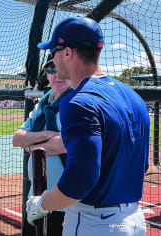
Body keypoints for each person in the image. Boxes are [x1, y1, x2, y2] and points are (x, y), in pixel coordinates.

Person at [26, 17, 149, 235]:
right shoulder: (133, 96)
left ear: (67, 52)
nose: (52, 59)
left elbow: (81, 181)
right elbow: (143, 165)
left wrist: (41, 203)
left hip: (96, 222)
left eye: (54, 51)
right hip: (135, 220)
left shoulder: (78, 102)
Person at [13, 55, 72, 235]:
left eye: (62, 69)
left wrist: (32, 146)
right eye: (51, 70)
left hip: (66, 204)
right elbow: (17, 138)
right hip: (36, 200)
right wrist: (47, 135)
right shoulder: (44, 103)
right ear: (47, 74)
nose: (57, 75)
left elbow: (68, 143)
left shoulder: (77, 100)